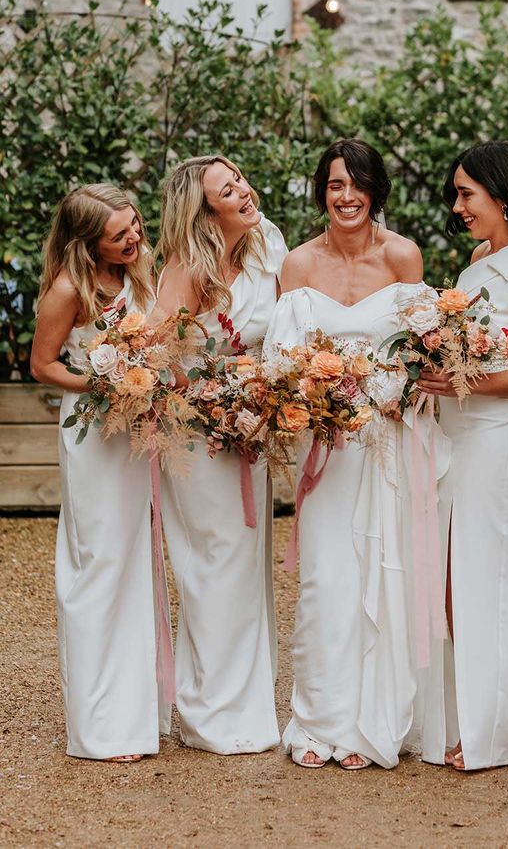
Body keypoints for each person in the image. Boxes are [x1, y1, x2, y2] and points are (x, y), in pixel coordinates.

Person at [264, 138, 424, 770]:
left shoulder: (403, 256)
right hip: (325, 444)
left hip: (387, 443)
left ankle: (369, 725)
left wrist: (386, 390)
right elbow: (280, 360)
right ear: (321, 191)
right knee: (327, 579)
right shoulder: (298, 266)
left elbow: (421, 351)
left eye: (357, 183)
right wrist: (315, 392)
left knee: (381, 577)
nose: (346, 195)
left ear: (375, 189)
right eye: (335, 184)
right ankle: (317, 721)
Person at [417, 141, 508, 771]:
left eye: (466, 193)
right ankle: (456, 716)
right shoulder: (479, 260)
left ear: (501, 194)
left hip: (502, 435)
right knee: (451, 577)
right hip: (459, 429)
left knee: (491, 576)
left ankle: (492, 734)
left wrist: (463, 380)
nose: (457, 205)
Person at [152, 155, 286, 754]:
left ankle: (249, 705)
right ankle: (208, 711)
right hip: (197, 435)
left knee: (247, 562)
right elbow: (152, 349)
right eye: (227, 191)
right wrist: (204, 393)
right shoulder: (186, 268)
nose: (244, 192)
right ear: (205, 212)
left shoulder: (267, 246)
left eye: (240, 181)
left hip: (251, 428)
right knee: (212, 562)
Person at [31, 184, 161, 762]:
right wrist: (103, 384)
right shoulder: (68, 288)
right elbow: (42, 365)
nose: (133, 237)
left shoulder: (138, 271)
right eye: (118, 235)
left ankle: (136, 713)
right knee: (99, 560)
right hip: (92, 430)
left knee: (135, 558)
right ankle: (98, 723)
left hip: (134, 433)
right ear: (87, 242)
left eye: (134, 225)